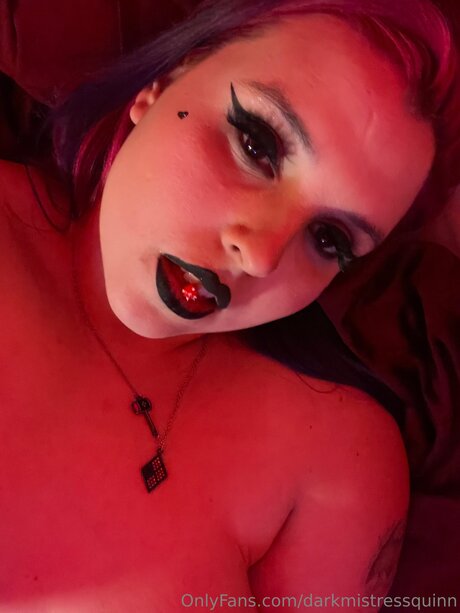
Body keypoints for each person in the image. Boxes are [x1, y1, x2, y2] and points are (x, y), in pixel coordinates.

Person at [0, 0, 458, 610]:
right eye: (256, 145)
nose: (261, 255)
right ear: (163, 85)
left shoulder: (333, 464)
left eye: (328, 240)